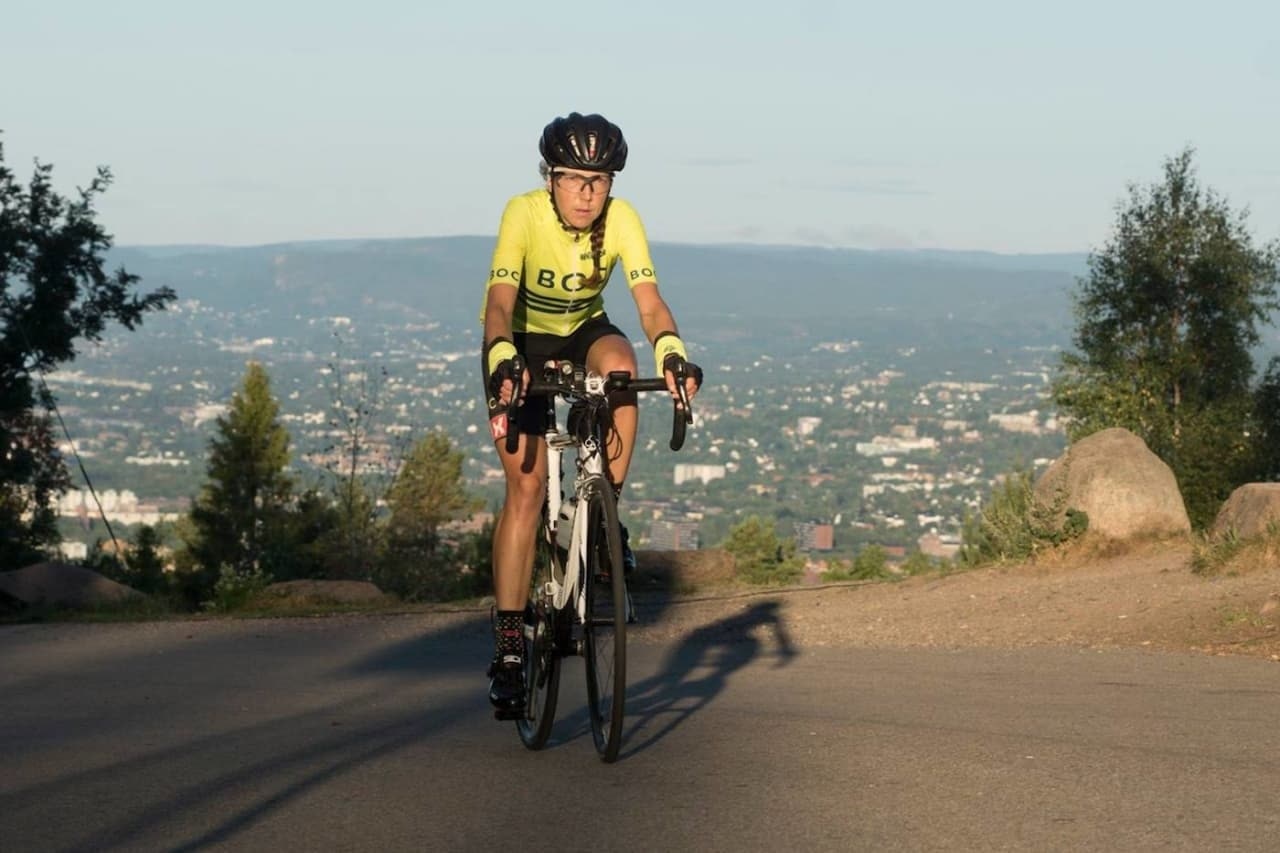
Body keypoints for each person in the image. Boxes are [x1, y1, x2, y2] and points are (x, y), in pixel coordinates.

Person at [480, 112, 702, 715]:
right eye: (574, 179)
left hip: (582, 333)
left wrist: (675, 354)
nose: (586, 194)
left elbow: (648, 303)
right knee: (525, 490)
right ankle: (508, 647)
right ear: (550, 178)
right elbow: (500, 303)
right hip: (520, 343)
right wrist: (503, 358)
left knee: (621, 370)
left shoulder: (622, 220)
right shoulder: (522, 213)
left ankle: (604, 513)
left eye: (599, 181)